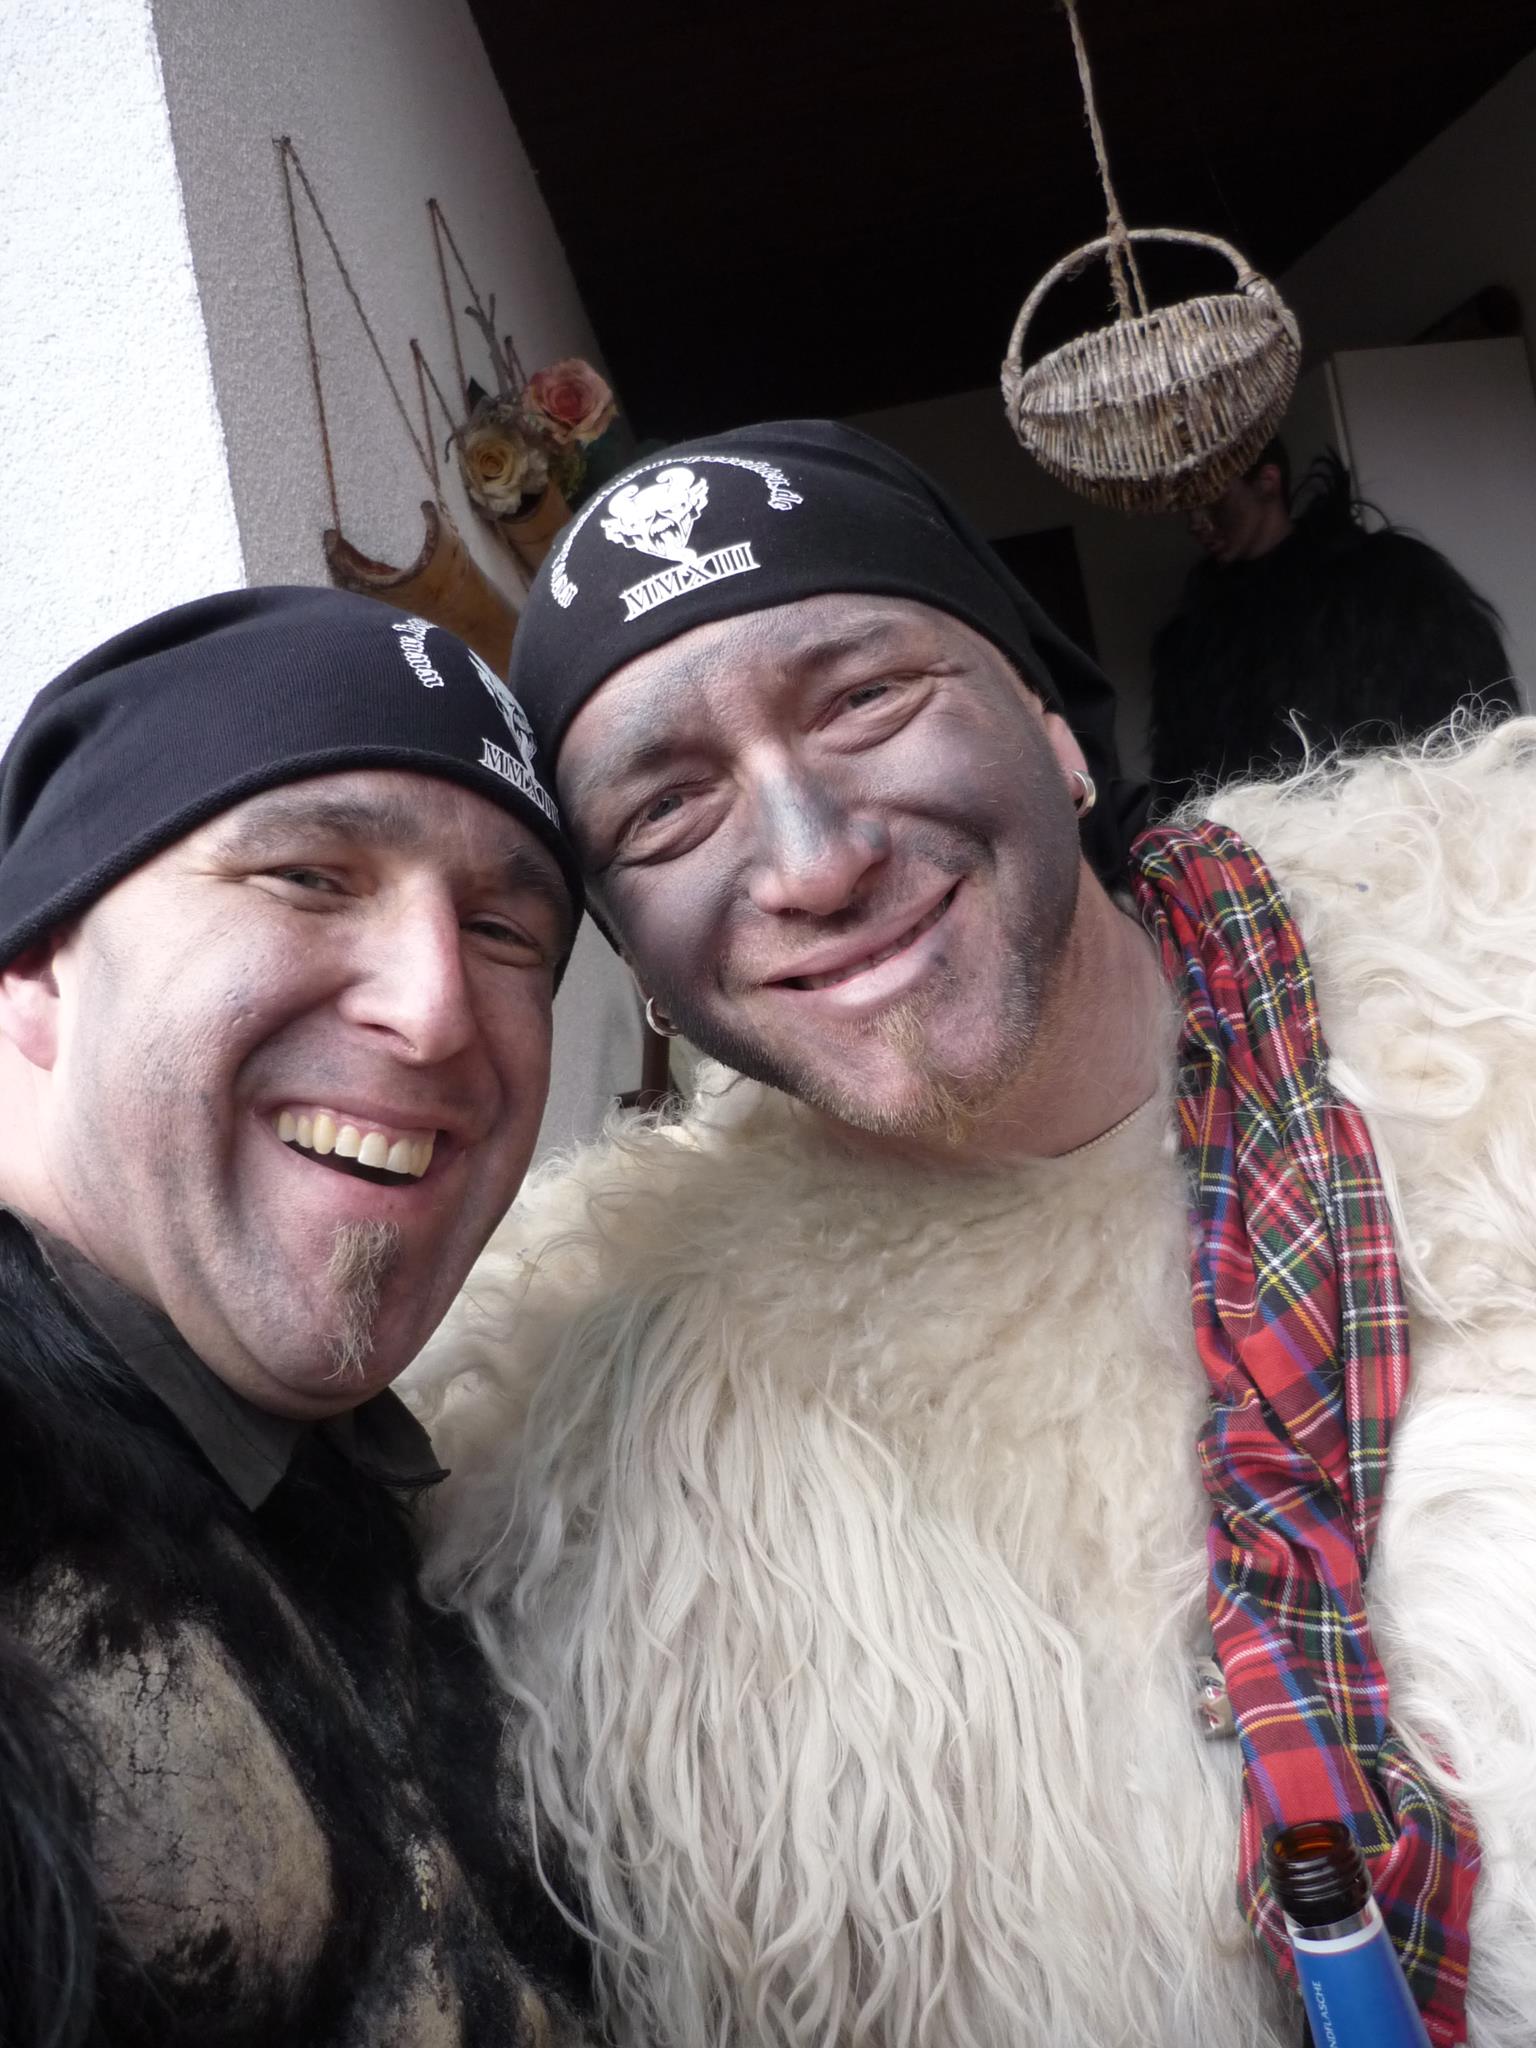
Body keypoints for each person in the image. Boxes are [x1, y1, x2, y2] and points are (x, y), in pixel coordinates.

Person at [411, 421, 1536, 2048]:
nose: (813, 860)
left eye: (865, 698)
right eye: (665, 809)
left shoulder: (1497, 970)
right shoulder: (616, 1471)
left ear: (1052, 726)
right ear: (640, 966)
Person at [0, 588, 599, 2048]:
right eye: (310, 876)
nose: (436, 1008)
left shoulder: (458, 1509)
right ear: (34, 970)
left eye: (504, 928)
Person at [1149, 440, 1517, 803]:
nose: (1196, 522)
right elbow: (1185, 786)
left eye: (1213, 500)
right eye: (1187, 506)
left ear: (1267, 481)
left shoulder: (1391, 585)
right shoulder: (1195, 642)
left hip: (1401, 819)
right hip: (1264, 836)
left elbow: (1478, 716)